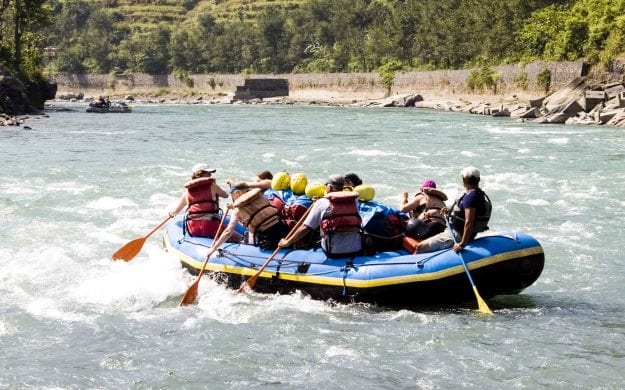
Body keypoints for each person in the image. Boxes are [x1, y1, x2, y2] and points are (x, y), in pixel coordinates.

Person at [279, 174, 363, 258]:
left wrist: (288, 242)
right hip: (356, 248)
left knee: (314, 236)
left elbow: (306, 228)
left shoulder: (321, 203)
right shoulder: (354, 201)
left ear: (329, 187)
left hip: (333, 251)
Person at [414, 167, 492, 253]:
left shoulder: (470, 197)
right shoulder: (479, 194)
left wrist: (462, 244)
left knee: (420, 247)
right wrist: (447, 213)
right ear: (479, 179)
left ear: (464, 180)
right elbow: (464, 216)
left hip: (456, 235)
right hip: (459, 232)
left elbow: (469, 222)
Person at [209, 182, 289, 251]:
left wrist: (213, 249)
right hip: (284, 231)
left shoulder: (238, 209)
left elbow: (228, 231)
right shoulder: (259, 196)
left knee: (249, 233)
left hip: (268, 238)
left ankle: (249, 247)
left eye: (232, 194)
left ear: (237, 193)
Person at [169, 163, 234, 238]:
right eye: (208, 173)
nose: (210, 175)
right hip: (211, 227)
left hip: (193, 228)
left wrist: (170, 214)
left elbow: (175, 212)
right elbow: (225, 195)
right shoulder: (213, 186)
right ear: (199, 174)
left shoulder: (187, 192)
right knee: (239, 238)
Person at [353, 184, 406, 253]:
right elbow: (402, 215)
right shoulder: (383, 207)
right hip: (387, 239)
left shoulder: (355, 207)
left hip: (370, 241)